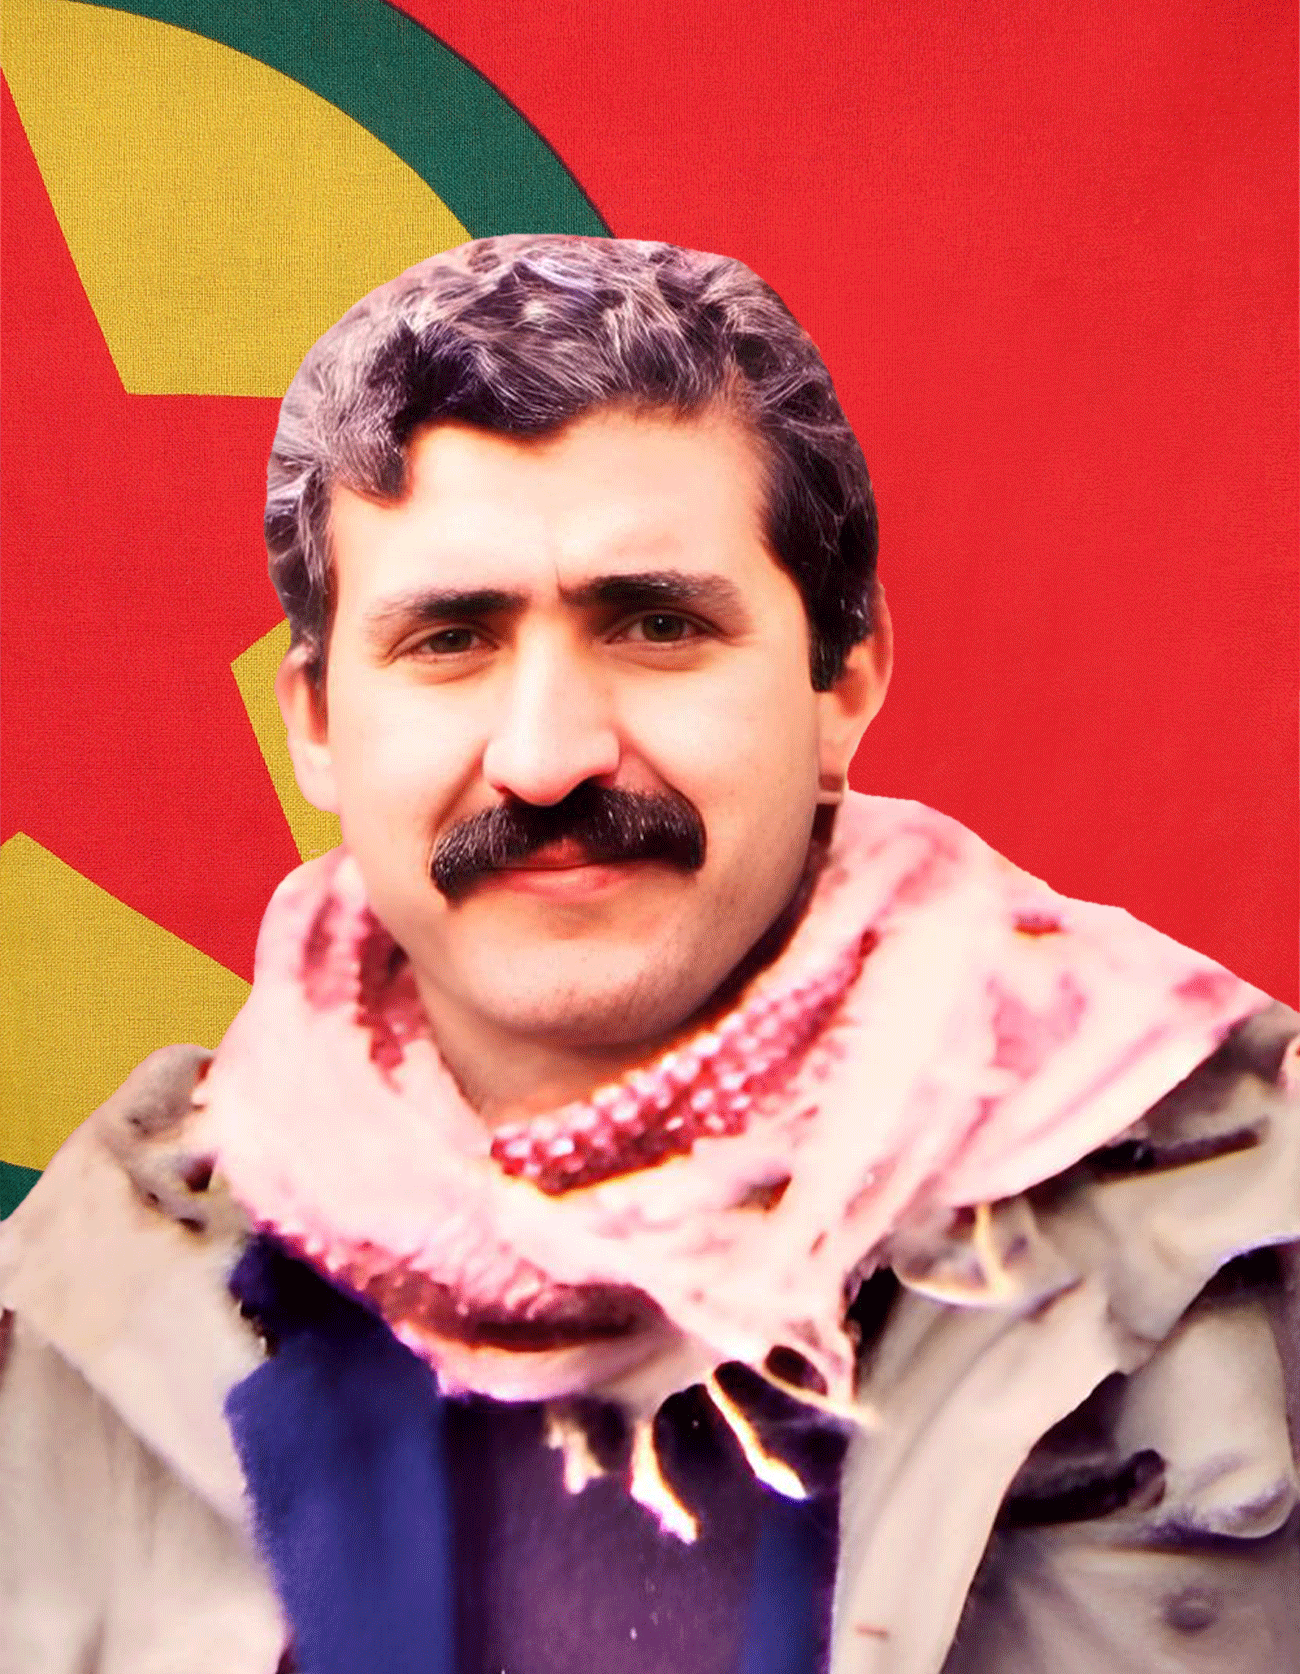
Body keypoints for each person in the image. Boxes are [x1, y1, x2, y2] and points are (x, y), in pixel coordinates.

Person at [1, 236, 1296, 1674]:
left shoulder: (1253, 1227)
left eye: (657, 625)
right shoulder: (79, 1316)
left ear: (844, 679)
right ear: (312, 723)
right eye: (450, 639)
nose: (548, 757)